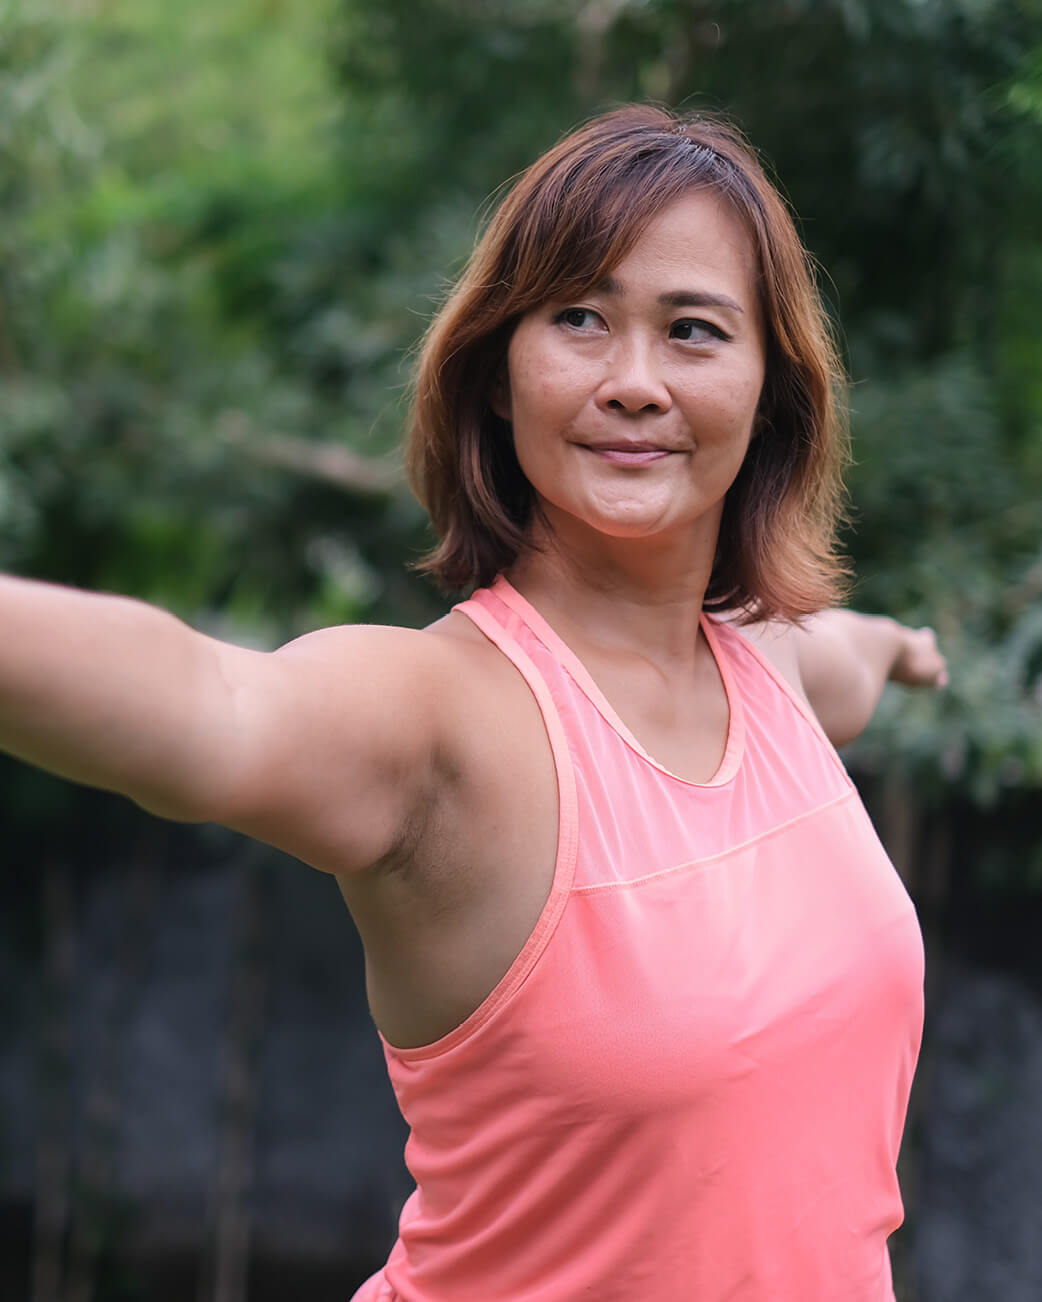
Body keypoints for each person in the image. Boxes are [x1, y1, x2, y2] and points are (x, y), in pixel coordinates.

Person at [0, 105, 947, 1300]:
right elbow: (208, 704)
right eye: (580, 319)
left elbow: (848, 653)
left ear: (770, 393)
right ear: (501, 374)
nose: (636, 382)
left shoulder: (778, 673)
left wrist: (908, 647)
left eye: (694, 330)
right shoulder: (443, 721)